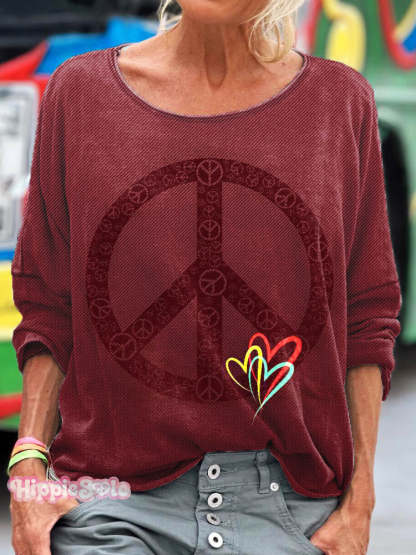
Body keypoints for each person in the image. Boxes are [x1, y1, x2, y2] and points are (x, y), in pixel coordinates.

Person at [8, 0, 402, 553]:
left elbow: (366, 315)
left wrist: (360, 503)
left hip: (292, 511)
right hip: (111, 502)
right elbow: (49, 305)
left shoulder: (340, 102)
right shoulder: (79, 92)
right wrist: (28, 468)